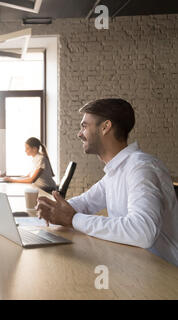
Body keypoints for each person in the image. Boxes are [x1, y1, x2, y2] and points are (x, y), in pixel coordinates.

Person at [36, 98, 178, 266]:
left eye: (84, 126)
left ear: (105, 127)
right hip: (135, 266)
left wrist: (73, 219)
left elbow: (142, 231)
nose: (79, 133)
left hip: (165, 275)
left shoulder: (141, 167)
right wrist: (54, 208)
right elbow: (85, 202)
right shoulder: (115, 172)